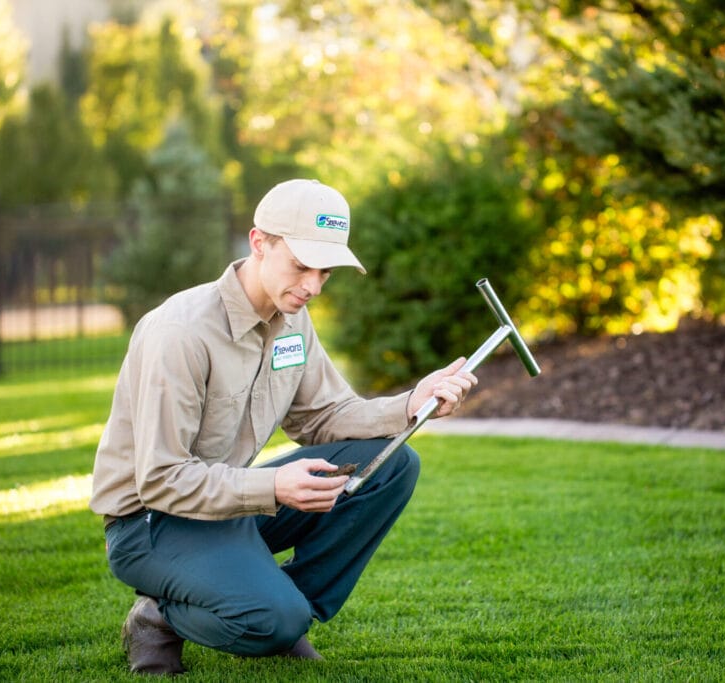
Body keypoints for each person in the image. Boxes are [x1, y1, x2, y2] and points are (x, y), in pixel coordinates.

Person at [89, 178, 477, 675]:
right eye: (301, 265)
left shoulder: (293, 319)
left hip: (230, 506)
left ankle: (281, 604)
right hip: (149, 524)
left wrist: (410, 405)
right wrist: (273, 485)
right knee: (273, 622)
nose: (313, 286)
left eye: (325, 272)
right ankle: (159, 615)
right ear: (259, 244)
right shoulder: (180, 333)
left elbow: (323, 415)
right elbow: (161, 478)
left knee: (393, 464)